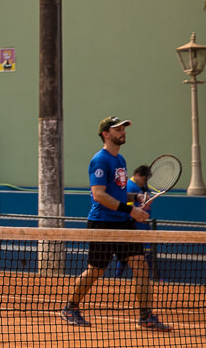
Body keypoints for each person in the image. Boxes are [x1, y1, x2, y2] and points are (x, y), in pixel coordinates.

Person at [59, 117, 170, 331]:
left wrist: (135, 197)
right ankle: (70, 308)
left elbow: (117, 194)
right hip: (102, 223)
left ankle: (146, 316)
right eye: (117, 129)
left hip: (123, 222)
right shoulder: (100, 160)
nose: (123, 132)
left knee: (140, 264)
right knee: (95, 270)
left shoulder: (121, 160)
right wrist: (131, 210)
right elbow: (99, 195)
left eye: (123, 129)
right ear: (106, 134)